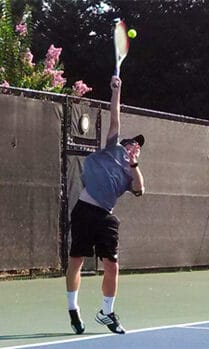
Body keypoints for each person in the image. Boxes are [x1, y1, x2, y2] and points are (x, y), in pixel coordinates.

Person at [66, 75, 145, 335]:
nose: (137, 146)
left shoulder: (130, 171)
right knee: (76, 261)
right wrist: (115, 91)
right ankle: (73, 309)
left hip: (105, 217)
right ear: (124, 145)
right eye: (134, 142)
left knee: (112, 265)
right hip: (84, 209)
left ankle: (107, 312)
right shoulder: (113, 148)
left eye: (139, 147)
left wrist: (134, 165)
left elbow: (140, 190)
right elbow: (115, 117)